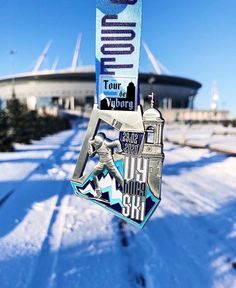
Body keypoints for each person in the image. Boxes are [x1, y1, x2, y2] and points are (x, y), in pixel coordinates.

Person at [88, 132, 123, 198]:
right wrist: (119, 150)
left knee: (117, 176)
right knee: (95, 174)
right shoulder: (101, 142)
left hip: (105, 162)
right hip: (104, 162)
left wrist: (120, 151)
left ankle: (127, 190)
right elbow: (117, 142)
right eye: (96, 142)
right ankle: (98, 190)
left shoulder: (100, 142)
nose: (97, 144)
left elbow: (117, 142)